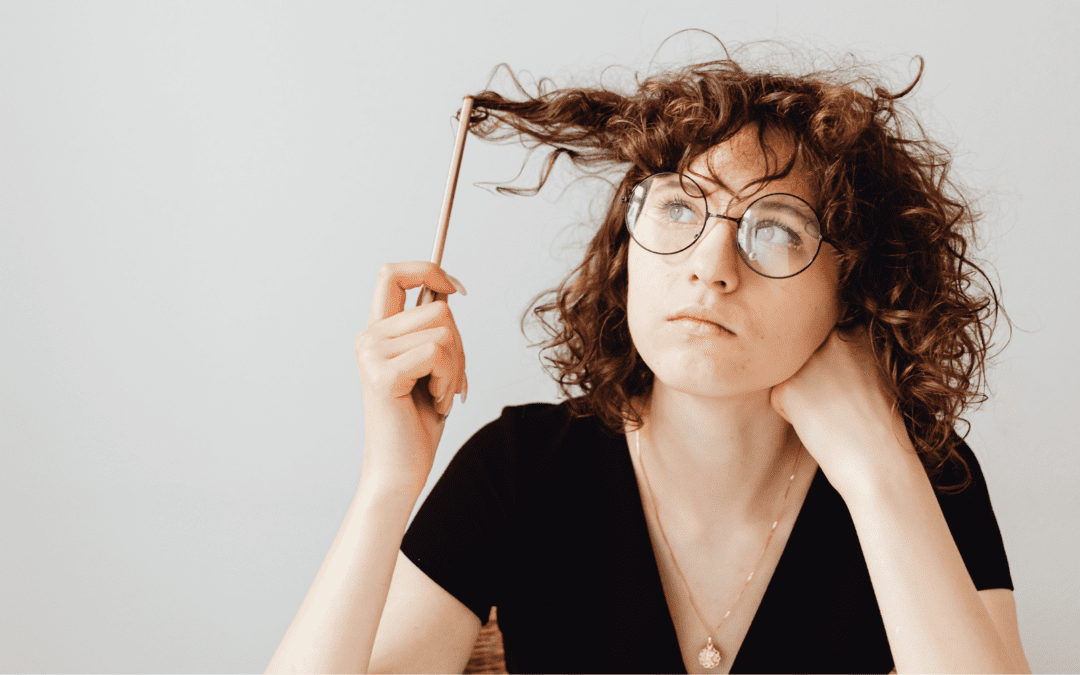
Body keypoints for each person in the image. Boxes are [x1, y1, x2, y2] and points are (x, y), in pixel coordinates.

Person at [266, 45, 1031, 674]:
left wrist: (877, 470)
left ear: (855, 286)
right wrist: (387, 483)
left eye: (776, 230)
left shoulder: (926, 473)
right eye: (677, 207)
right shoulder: (521, 465)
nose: (711, 264)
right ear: (627, 248)